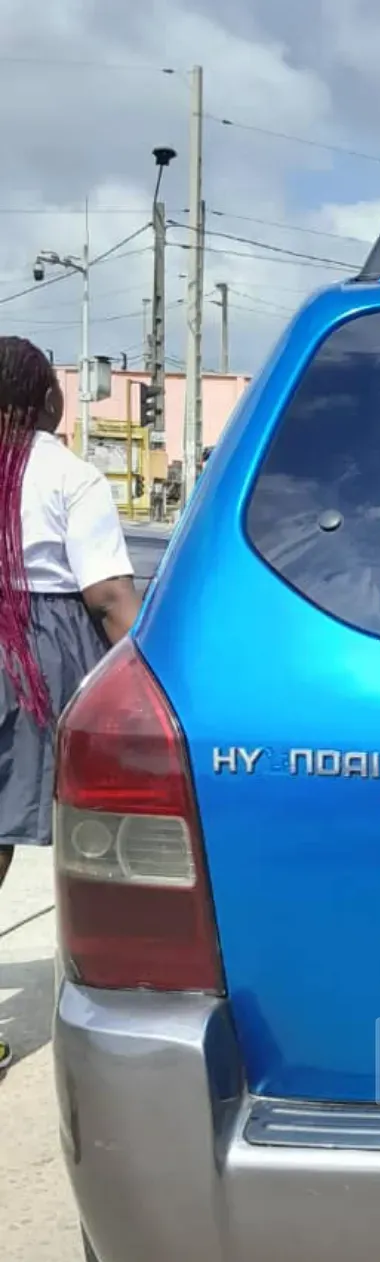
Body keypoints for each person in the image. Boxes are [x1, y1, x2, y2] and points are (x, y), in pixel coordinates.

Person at [0, 338, 139, 1076]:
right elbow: (109, 595)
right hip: (33, 652)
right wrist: (152, 676)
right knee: (93, 826)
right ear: (46, 400)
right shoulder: (68, 474)